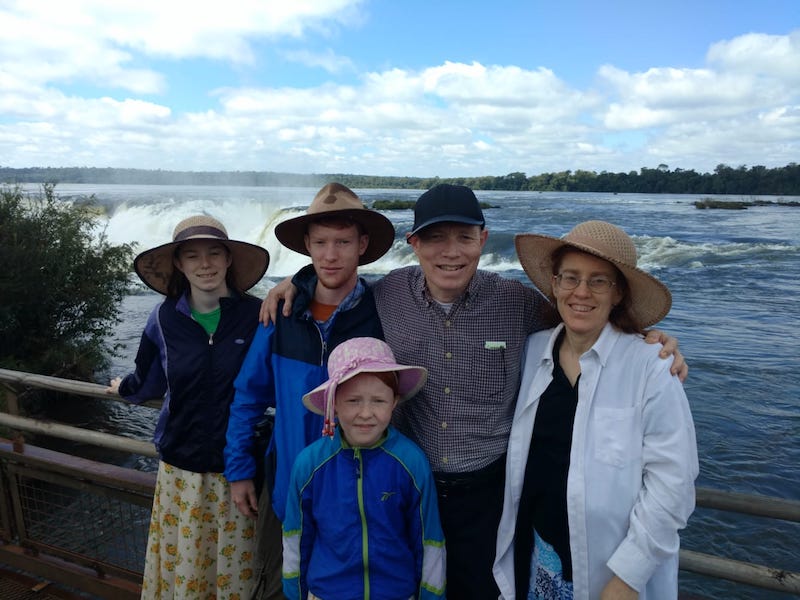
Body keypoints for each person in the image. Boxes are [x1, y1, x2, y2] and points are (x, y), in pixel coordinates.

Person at [265, 184, 688, 599]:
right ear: (413, 244)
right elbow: (338, 283)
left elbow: (581, 314)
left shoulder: (517, 304)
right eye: (434, 239)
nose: (450, 252)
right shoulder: (389, 294)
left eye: (464, 238)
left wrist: (646, 337)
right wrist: (296, 286)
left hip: (491, 499)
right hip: (408, 486)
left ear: (482, 240)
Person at [493, 220, 698, 599]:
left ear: (618, 293)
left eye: (599, 281)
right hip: (537, 556)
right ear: (554, 285)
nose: (581, 292)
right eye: (570, 278)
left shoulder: (651, 367)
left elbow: (673, 485)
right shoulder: (533, 350)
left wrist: (627, 579)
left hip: (612, 576)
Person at [224, 183, 395, 599]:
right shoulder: (280, 314)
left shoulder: (383, 312)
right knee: (278, 586)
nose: (331, 254)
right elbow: (248, 397)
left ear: (363, 245)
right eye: (320, 242)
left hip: (359, 494)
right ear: (307, 245)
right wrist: (240, 469)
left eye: (342, 242)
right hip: (286, 486)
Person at [107, 215, 270, 599]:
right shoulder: (163, 318)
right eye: (193, 256)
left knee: (237, 576)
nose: (206, 264)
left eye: (215, 253)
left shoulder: (259, 316)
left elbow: (275, 381)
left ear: (229, 259)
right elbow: (147, 378)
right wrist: (122, 389)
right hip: (182, 472)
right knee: (187, 571)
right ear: (179, 264)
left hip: (240, 472)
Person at [282, 337, 446, 600]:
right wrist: (294, 594)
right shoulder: (309, 465)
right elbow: (295, 539)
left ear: (394, 401)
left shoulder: (411, 462)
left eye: (379, 401)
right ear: (333, 404)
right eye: (353, 401)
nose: (366, 413)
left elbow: (429, 541)